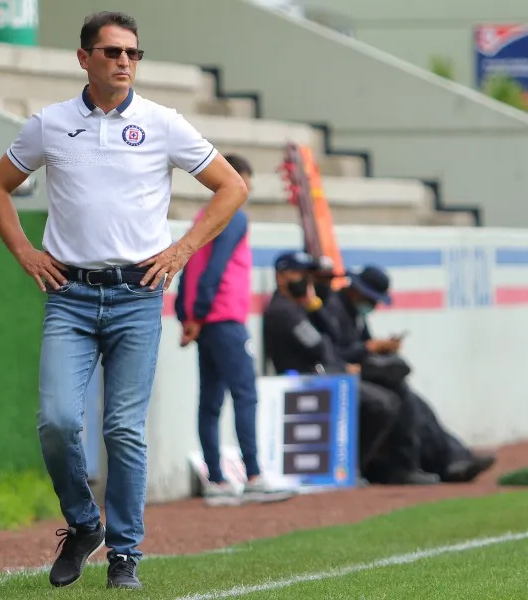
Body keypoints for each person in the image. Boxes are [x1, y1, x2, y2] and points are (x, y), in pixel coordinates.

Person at [0, 11, 248, 591]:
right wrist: (26, 253)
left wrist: (181, 252)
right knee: (55, 421)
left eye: (132, 53)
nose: (124, 61)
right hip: (69, 297)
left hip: (137, 297)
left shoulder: (163, 122)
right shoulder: (49, 125)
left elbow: (233, 187)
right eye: (111, 52)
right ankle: (83, 525)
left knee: (124, 430)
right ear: (83, 58)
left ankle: (125, 553)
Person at [175, 153, 296, 506]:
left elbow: (188, 268)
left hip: (205, 323)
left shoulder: (201, 218)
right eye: (244, 180)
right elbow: (215, 268)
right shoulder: (234, 216)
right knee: (245, 394)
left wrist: (189, 316)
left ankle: (216, 479)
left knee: (210, 401)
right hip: (225, 318)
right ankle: (254, 475)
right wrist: (198, 312)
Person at [261, 251, 437, 485]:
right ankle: (354, 467)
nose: (308, 281)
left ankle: (390, 465)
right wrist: (345, 366)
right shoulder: (283, 311)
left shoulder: (300, 307)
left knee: (395, 391)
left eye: (309, 276)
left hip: (325, 373)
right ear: (281, 276)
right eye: (300, 274)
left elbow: (328, 340)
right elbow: (320, 348)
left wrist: (313, 307)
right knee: (382, 403)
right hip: (305, 379)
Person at [320, 265, 496, 484]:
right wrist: (370, 348)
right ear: (356, 290)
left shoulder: (355, 314)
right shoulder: (333, 310)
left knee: (417, 406)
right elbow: (334, 353)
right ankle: (405, 466)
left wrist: (380, 349)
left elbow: (363, 347)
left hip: (360, 373)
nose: (373, 305)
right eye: (371, 299)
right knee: (397, 400)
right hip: (341, 376)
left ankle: (453, 458)